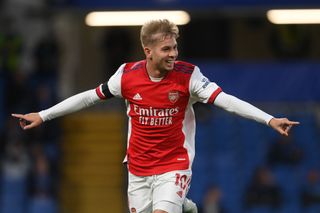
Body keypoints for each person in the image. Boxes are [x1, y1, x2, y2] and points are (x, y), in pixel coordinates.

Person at [12, 19, 299, 213]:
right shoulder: (127, 76)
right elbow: (89, 97)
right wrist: (44, 115)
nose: (173, 53)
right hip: (137, 168)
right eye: (166, 49)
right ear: (147, 51)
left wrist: (268, 119)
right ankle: (184, 206)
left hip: (174, 165)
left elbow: (225, 100)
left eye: (175, 47)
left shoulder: (189, 76)